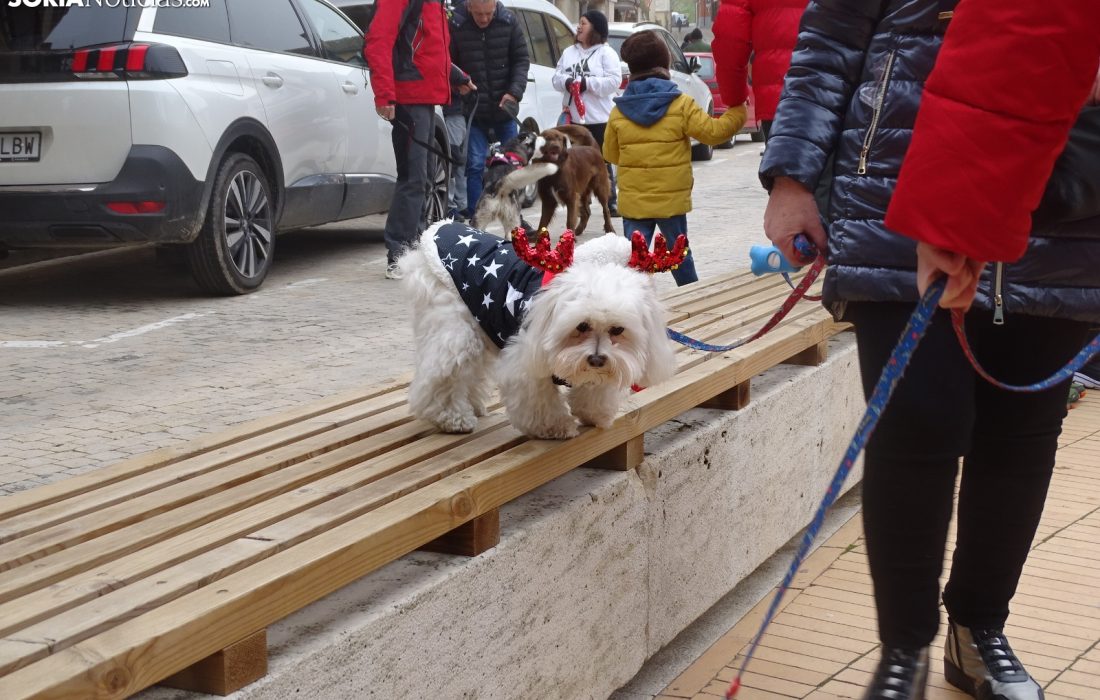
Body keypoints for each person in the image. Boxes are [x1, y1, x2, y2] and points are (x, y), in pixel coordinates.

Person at [759, 0, 1100, 698]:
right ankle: (903, 648)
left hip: (1065, 211)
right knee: (914, 424)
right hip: (897, 201)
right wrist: (791, 177)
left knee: (1023, 434)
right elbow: (827, 42)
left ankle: (978, 630)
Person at [604, 30, 746, 287]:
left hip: (634, 202)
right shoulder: (682, 104)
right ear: (665, 65)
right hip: (671, 201)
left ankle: (627, 306)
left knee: (632, 260)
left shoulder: (619, 111)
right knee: (679, 255)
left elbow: (610, 154)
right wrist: (738, 111)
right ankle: (692, 295)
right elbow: (713, 134)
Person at [365, 0, 455, 280]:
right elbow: (377, 41)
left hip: (424, 97)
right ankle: (399, 256)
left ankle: (415, 250)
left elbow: (429, 50)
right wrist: (385, 95)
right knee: (413, 178)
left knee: (425, 178)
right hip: (409, 97)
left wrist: (458, 77)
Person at [449, 0, 530, 215]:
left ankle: (516, 216)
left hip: (505, 110)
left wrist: (514, 92)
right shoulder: (456, 25)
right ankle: (478, 217)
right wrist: (458, 83)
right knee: (474, 165)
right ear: (469, 7)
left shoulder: (509, 21)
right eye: (478, 15)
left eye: (488, 13)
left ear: (495, 6)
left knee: (512, 167)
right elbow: (449, 63)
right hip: (474, 110)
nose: (484, 19)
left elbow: (522, 60)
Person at [552, 10, 622, 215]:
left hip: (599, 118)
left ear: (596, 29)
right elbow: (556, 77)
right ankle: (581, 201)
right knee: (575, 162)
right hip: (574, 120)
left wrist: (586, 83)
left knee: (602, 161)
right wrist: (566, 82)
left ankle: (610, 200)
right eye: (579, 22)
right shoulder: (569, 52)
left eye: (584, 23)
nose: (579, 26)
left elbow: (613, 81)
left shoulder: (606, 53)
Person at [711, 0, 807, 142]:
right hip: (835, 91)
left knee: (785, 160)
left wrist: (735, 99)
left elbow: (730, 43)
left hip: (778, 99)